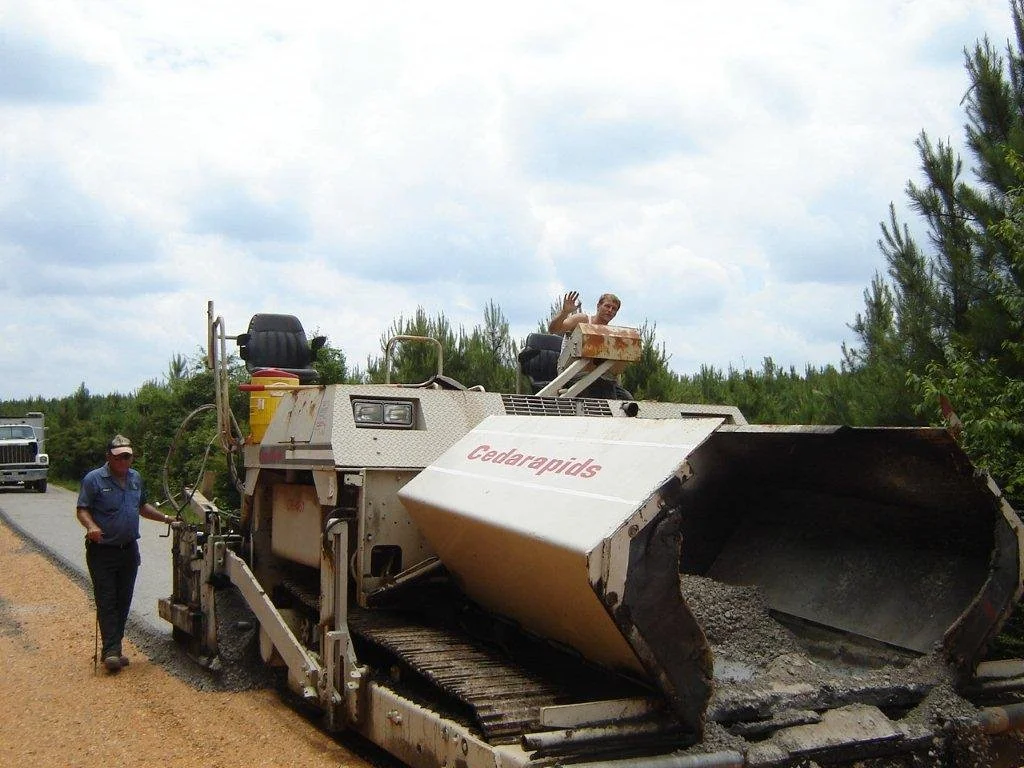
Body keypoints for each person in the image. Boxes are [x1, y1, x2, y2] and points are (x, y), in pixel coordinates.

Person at [76, 434, 181, 673]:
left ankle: (114, 648)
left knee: (123, 600)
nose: (124, 461)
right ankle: (111, 651)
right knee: (107, 599)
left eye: (127, 456)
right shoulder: (94, 479)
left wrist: (165, 518)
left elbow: (142, 507)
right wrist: (91, 526)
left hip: (128, 550)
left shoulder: (135, 478)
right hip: (102, 551)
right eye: (119, 456)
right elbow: (83, 509)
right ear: (109, 457)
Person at [547, 291, 632, 399]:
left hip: (600, 378)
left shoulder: (610, 334)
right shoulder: (582, 320)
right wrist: (564, 312)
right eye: (607, 306)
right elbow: (553, 329)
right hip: (572, 373)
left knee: (627, 399)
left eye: (614, 309)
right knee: (599, 388)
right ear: (598, 306)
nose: (610, 310)